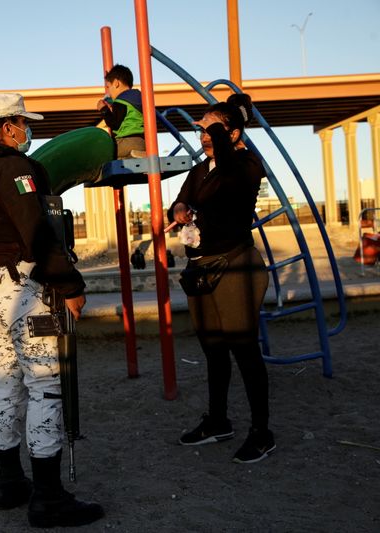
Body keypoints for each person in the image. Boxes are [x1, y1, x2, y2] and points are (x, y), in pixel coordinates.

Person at [0, 93, 104, 528]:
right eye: (22, 122)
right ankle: (49, 497)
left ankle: (9, 483)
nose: (27, 129)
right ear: (6, 127)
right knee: (46, 386)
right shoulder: (12, 168)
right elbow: (36, 232)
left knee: (5, 381)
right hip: (20, 288)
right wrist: (70, 284)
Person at [167, 93, 274, 464]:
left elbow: (231, 180)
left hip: (236, 266)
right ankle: (218, 421)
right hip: (201, 267)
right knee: (213, 348)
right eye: (202, 131)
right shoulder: (200, 170)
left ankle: (262, 432)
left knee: (245, 349)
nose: (205, 138)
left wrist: (223, 138)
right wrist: (179, 208)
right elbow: (181, 199)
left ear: (234, 132)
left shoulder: (246, 165)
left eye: (213, 130)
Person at [96, 64, 145, 159]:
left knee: (99, 151)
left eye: (108, 87)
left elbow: (114, 123)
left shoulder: (121, 100)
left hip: (127, 142)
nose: (108, 93)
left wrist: (104, 109)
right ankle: (138, 153)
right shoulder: (138, 97)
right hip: (142, 142)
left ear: (116, 83)